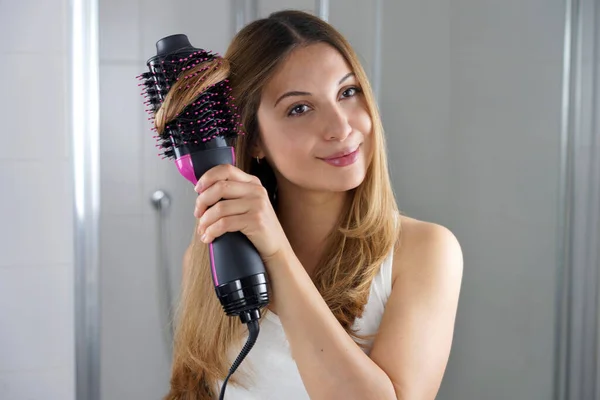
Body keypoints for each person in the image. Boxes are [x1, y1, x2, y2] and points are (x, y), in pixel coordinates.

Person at [164, 9, 463, 400]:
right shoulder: (209, 260)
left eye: (347, 92)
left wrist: (276, 254)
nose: (341, 127)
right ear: (253, 140)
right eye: (299, 108)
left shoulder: (424, 252)